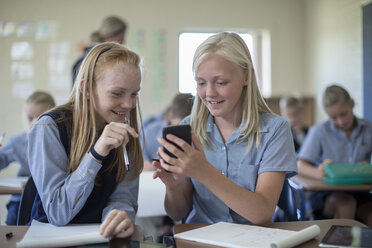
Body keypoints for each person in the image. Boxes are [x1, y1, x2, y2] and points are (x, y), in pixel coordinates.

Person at [153, 32, 297, 225]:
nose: (209, 93)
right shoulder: (190, 128)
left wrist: (204, 172)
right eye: (201, 83)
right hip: (200, 238)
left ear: (247, 76)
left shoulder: (275, 130)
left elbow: (262, 212)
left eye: (221, 82)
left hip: (251, 240)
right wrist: (174, 187)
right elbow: (177, 213)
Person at [28, 42, 143, 238]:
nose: (129, 104)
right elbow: (58, 213)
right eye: (117, 93)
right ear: (86, 89)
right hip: (50, 239)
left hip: (99, 237)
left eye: (134, 94)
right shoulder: (49, 128)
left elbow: (123, 196)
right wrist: (96, 154)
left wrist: (119, 216)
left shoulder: (125, 130)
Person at [298, 84, 372, 226]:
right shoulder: (319, 131)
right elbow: (300, 165)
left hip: (359, 191)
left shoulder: (368, 129)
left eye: (343, 114)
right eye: (333, 117)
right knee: (346, 205)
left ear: (352, 104)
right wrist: (319, 173)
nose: (340, 121)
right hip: (326, 194)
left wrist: (367, 168)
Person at [0, 90, 55, 225]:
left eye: (41, 117)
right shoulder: (17, 142)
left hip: (47, 200)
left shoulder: (59, 142)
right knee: (13, 225)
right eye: (30, 118)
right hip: (19, 199)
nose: (35, 123)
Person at [143, 93, 194, 171]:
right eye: (179, 127)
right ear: (171, 117)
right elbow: (141, 161)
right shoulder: (150, 132)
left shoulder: (199, 134)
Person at [72, 15, 127, 86]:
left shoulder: (86, 56)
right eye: (121, 39)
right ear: (109, 37)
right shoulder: (100, 59)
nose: (123, 43)